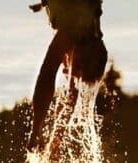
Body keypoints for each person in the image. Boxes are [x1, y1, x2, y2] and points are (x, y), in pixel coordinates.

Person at [27, 0, 108, 152]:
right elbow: (53, 78)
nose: (66, 70)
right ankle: (47, 136)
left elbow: (48, 75)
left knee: (59, 78)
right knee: (64, 81)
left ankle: (46, 136)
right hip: (81, 18)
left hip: (81, 20)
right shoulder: (78, 28)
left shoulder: (74, 30)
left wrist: (39, 131)